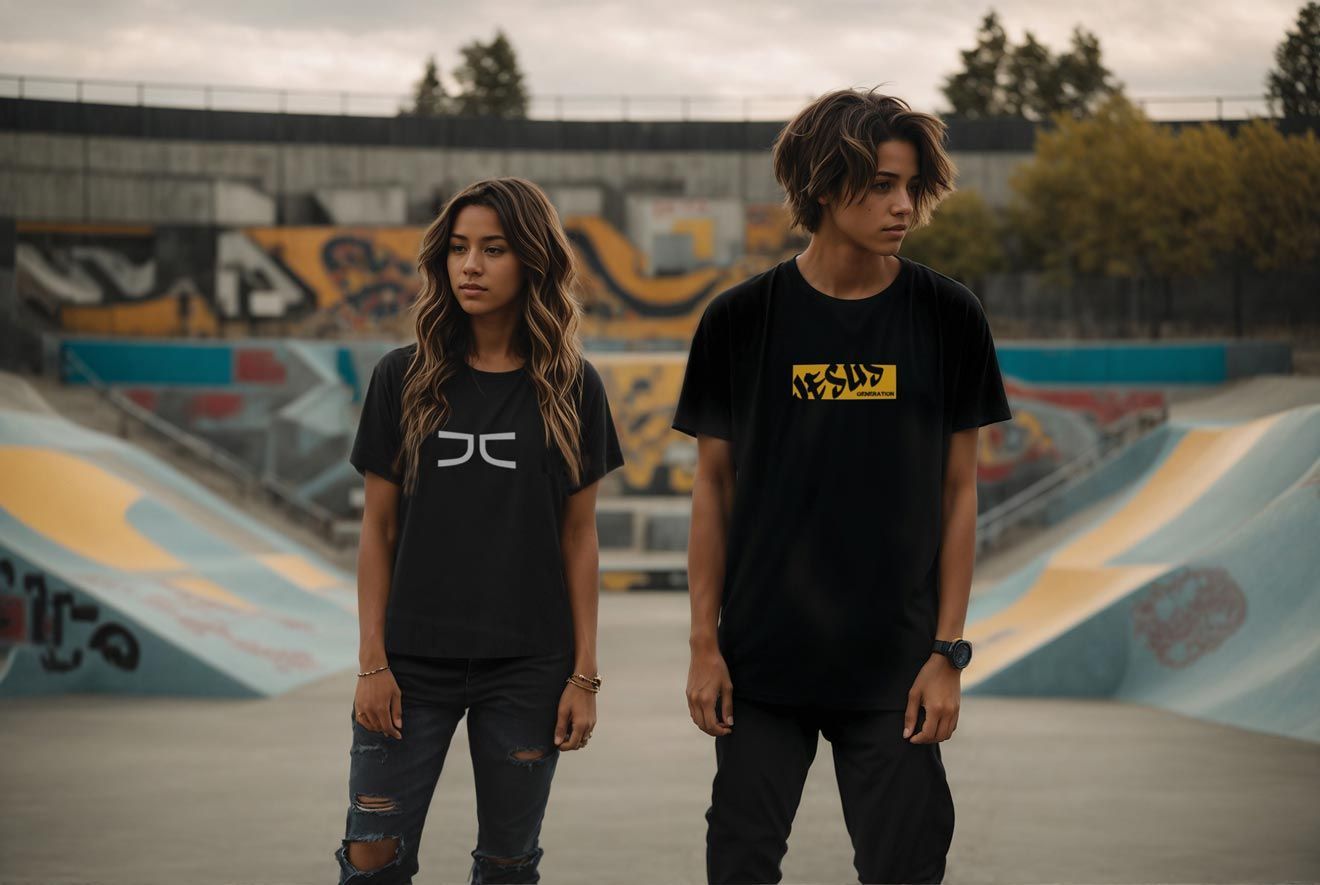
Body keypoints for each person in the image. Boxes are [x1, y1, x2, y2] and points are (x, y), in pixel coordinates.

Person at [673, 88, 1013, 884]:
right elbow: (712, 491)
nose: (905, 206)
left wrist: (948, 653)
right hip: (761, 663)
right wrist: (702, 644)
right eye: (883, 184)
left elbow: (959, 493)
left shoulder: (948, 316)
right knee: (741, 865)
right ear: (827, 186)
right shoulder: (739, 321)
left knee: (906, 866)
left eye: (910, 187)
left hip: (894, 668)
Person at [336, 177, 625, 884]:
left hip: (527, 666)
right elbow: (377, 529)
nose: (470, 265)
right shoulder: (401, 378)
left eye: (493, 249)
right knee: (372, 854)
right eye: (459, 249)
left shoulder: (573, 387)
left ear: (531, 261)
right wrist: (372, 662)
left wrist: (583, 674)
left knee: (507, 861)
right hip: (411, 663)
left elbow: (580, 538)